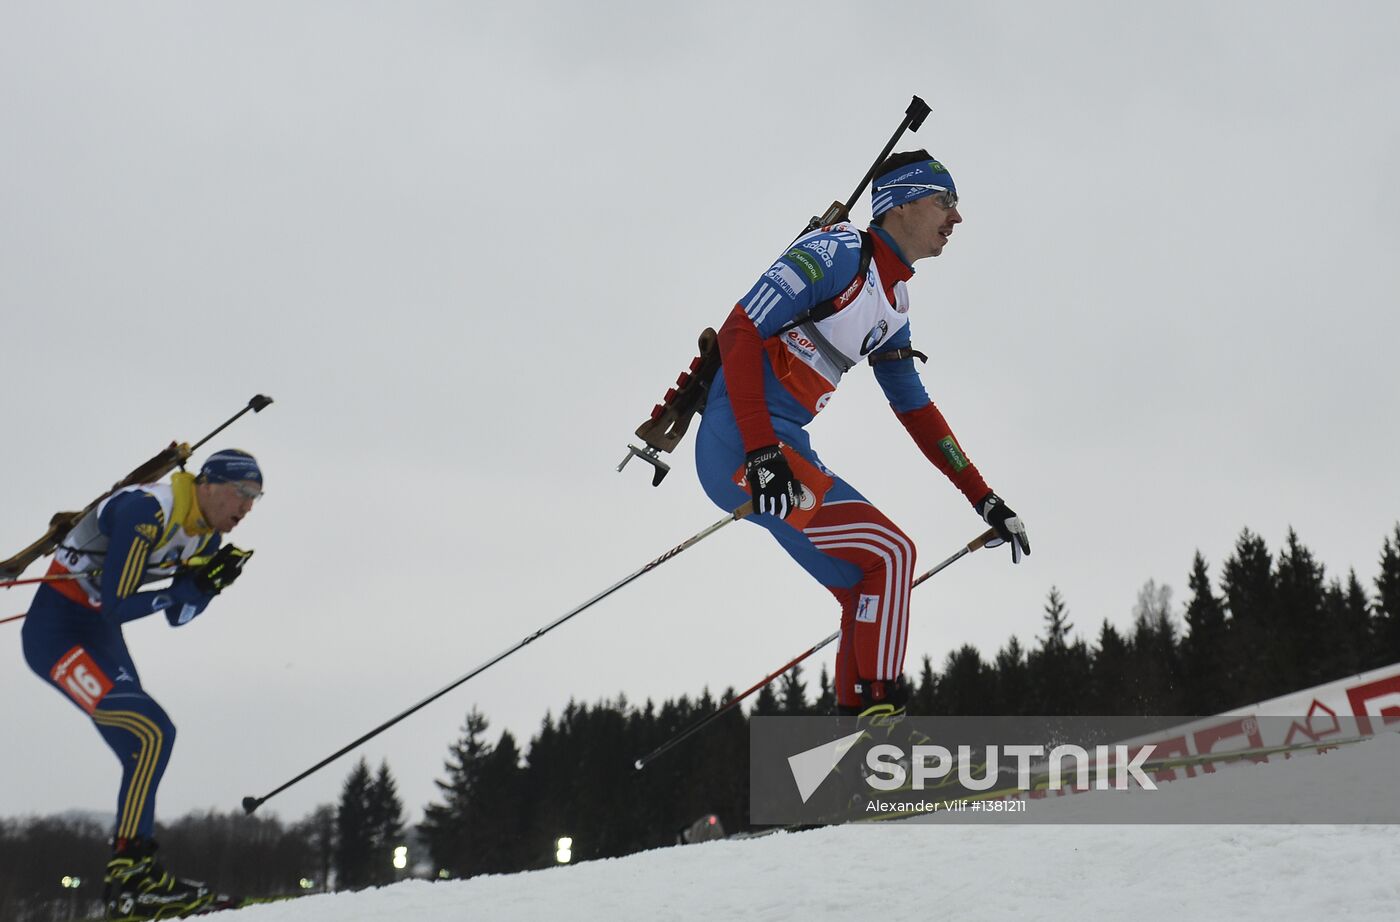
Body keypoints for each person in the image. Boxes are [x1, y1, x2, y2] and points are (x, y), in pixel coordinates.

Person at [695, 150, 1030, 722]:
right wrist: (760, 454)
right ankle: (884, 729)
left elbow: (917, 410)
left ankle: (855, 756)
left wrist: (984, 498)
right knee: (892, 554)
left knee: (866, 585)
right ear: (899, 204)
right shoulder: (836, 253)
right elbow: (739, 329)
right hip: (742, 442)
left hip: (778, 448)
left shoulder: (893, 301)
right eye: (944, 201)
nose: (956, 219)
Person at [21, 449, 263, 920]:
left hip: (99, 636)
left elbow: (177, 617)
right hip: (56, 636)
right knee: (150, 730)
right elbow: (118, 604)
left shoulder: (205, 536)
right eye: (242, 493)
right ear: (208, 484)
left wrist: (205, 588)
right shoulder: (147, 511)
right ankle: (131, 878)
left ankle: (136, 878)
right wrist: (181, 589)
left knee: (151, 740)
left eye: (256, 498)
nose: (247, 507)